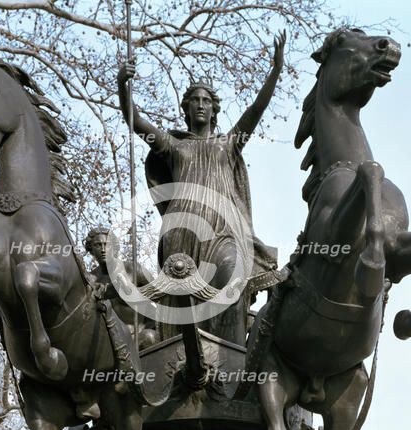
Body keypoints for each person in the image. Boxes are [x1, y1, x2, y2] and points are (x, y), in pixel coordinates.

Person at [116, 31, 287, 346]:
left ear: (214, 110)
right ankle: (183, 360)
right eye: (194, 100)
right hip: (182, 233)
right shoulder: (173, 146)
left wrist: (275, 70)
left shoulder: (229, 145)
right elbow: (135, 121)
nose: (200, 105)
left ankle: (232, 358)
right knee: (184, 310)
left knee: (234, 275)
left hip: (222, 233)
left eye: (206, 101)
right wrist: (122, 85)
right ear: (186, 107)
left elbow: (254, 112)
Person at [85, 227, 158, 349]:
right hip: (113, 340)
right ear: (91, 250)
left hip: (143, 331)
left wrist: (132, 292)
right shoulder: (91, 279)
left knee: (148, 338)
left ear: (114, 248)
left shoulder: (132, 269)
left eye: (107, 245)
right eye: (98, 245)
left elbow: (159, 294)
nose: (103, 250)